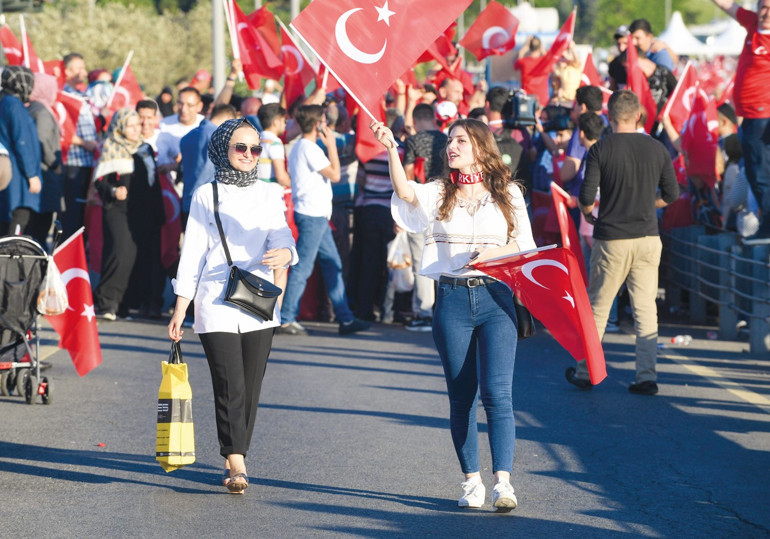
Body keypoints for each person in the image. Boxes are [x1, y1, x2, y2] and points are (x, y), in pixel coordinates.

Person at [371, 117, 536, 511]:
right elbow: (403, 192)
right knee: (462, 397)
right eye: (449, 140)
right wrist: (392, 148)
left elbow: (526, 248)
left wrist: (495, 255)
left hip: (497, 301)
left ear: (481, 146)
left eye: (460, 140)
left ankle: (503, 484)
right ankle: (471, 482)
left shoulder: (508, 193)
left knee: (499, 395)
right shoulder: (438, 191)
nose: (451, 146)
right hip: (452, 300)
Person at [168, 118, 297, 494]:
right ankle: (237, 459)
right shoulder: (205, 194)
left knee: (251, 386)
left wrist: (287, 252)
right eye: (240, 147)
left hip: (258, 298)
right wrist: (181, 307)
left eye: (255, 149)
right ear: (224, 148)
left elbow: (283, 232)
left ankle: (234, 451)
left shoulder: (270, 193)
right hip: (214, 298)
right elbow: (191, 253)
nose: (248, 155)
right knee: (230, 383)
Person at [566, 90, 679, 396]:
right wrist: (649, 203)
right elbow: (672, 193)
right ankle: (646, 376)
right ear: (639, 116)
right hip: (647, 237)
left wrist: (589, 215)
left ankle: (586, 370)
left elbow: (587, 197)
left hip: (612, 238)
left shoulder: (601, 148)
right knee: (645, 309)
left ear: (610, 117)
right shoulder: (657, 149)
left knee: (598, 308)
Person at [277, 104, 369, 336]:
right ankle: (286, 317)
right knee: (304, 267)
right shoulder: (310, 148)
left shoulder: (301, 146)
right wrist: (331, 146)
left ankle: (345, 318)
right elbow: (336, 174)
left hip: (314, 214)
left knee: (333, 265)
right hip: (313, 215)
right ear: (318, 124)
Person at [710, 0, 770, 243]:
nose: (766, 12)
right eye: (763, 7)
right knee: (755, 173)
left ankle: (768, 223)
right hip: (749, 116)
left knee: (760, 171)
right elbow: (728, 6)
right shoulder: (753, 24)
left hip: (763, 115)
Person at [91, 109, 156, 320]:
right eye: (131, 125)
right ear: (120, 127)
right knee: (120, 253)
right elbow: (100, 182)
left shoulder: (145, 149)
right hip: (117, 211)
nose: (137, 129)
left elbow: (152, 183)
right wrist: (113, 191)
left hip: (140, 211)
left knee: (134, 258)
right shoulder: (111, 147)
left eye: (138, 125)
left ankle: (123, 305)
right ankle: (106, 301)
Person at [401, 103, 449, 331]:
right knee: (442, 257)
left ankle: (424, 311)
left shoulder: (413, 141)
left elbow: (408, 174)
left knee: (421, 259)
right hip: (444, 202)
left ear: (417, 119)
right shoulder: (447, 140)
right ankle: (443, 308)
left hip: (420, 202)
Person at [0, 66, 43, 236]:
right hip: (19, 177)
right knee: (17, 226)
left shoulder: (5, 101)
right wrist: (31, 175)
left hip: (11, 173)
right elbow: (22, 141)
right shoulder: (14, 105)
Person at [61, 52, 99, 239]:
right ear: (67, 71)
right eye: (79, 68)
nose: (84, 72)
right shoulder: (62, 96)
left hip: (86, 162)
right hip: (72, 162)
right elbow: (62, 130)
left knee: (82, 215)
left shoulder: (82, 95)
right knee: (71, 215)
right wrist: (85, 143)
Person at [28, 72, 65, 247]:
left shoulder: (34, 108)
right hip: (45, 174)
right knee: (42, 226)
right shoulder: (41, 112)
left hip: (41, 173)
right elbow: (41, 140)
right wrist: (54, 163)